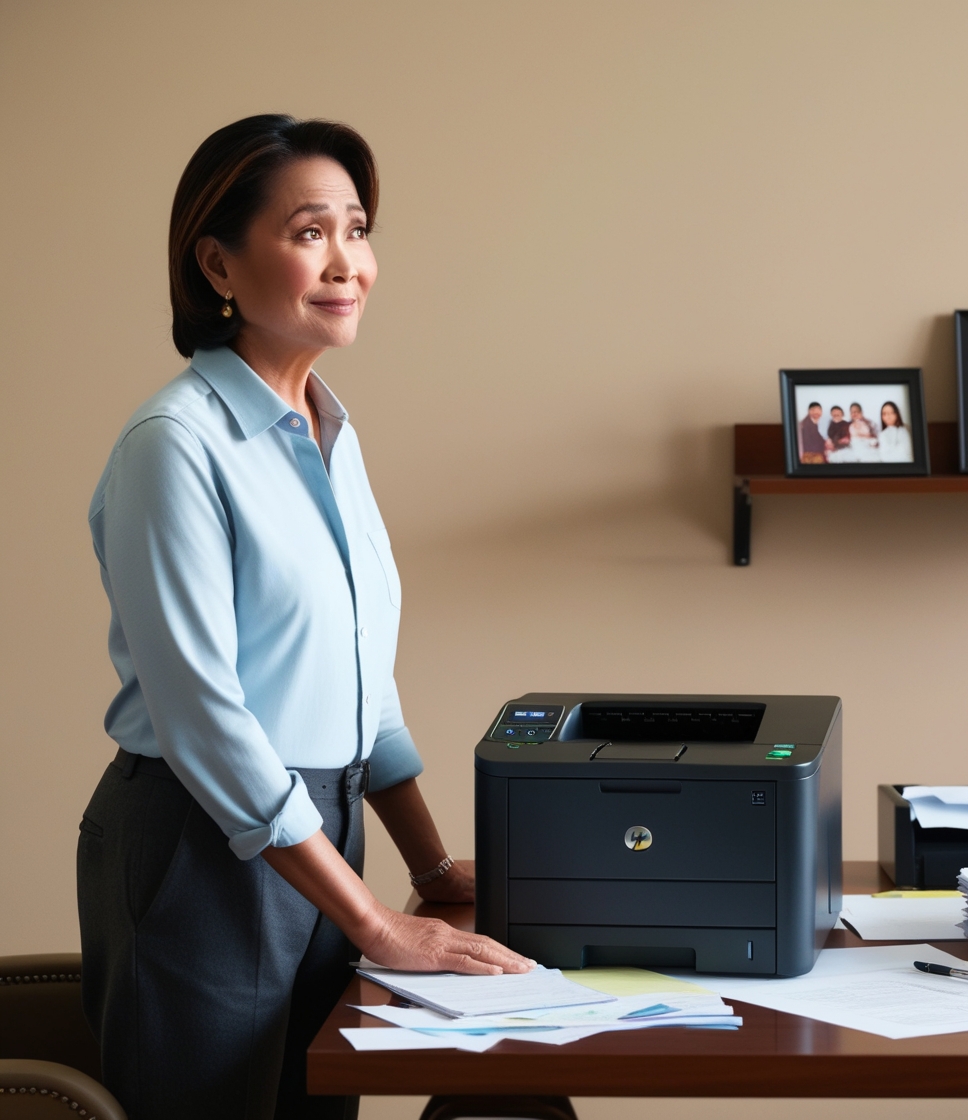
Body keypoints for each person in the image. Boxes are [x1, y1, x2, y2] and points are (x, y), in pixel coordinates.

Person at [77, 115, 532, 1120]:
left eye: (359, 230)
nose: (347, 263)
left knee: (318, 1103)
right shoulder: (174, 444)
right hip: (202, 839)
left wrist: (430, 866)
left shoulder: (327, 427)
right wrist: (377, 923)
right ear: (217, 264)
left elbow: (363, 678)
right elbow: (206, 719)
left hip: (318, 837)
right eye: (309, 232)